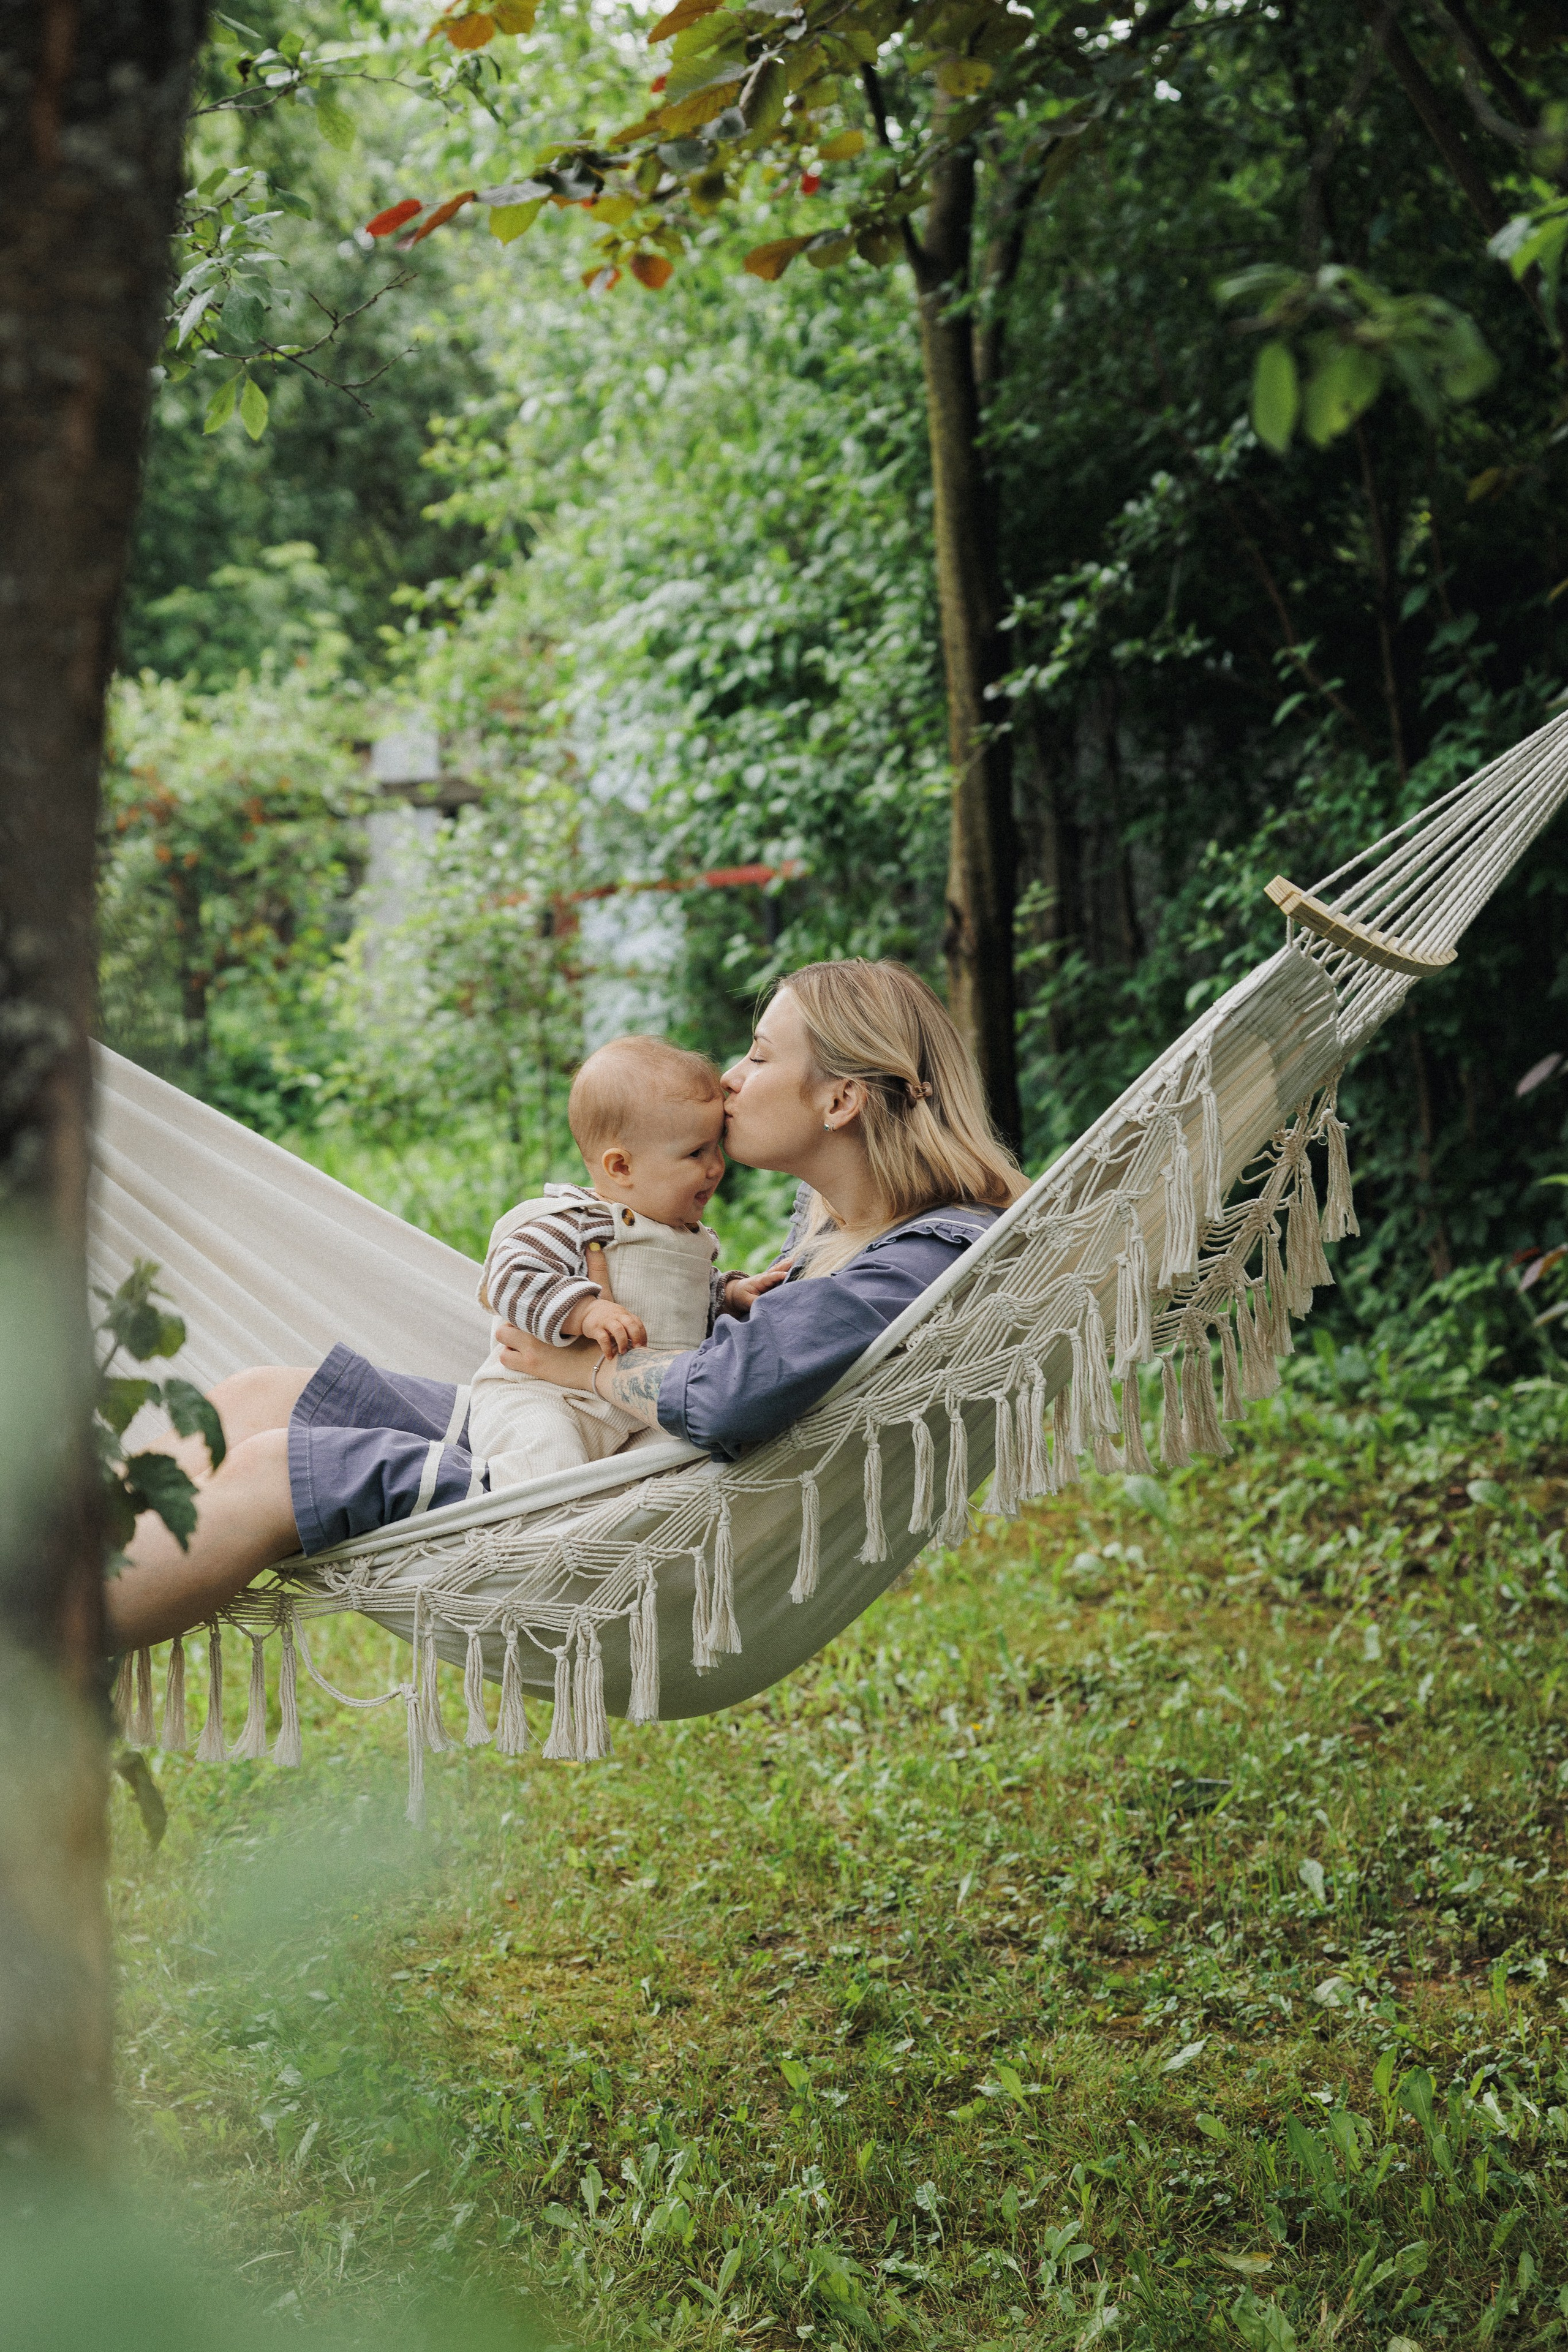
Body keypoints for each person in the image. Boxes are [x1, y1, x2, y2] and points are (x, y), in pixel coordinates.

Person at [105, 959, 1027, 1652]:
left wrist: (576, 1363)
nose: (733, 1079)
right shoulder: (831, 1224)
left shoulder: (919, 1257)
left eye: (757, 1054)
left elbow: (733, 1395)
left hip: (593, 1517)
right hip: (581, 1439)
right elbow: (722, 1331)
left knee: (273, 1466)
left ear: (839, 1100)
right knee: (265, 1394)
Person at [467, 1034, 785, 1489]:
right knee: (547, 1459)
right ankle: (532, 1542)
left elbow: (683, 1302)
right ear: (620, 1167)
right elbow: (511, 1278)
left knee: (698, 1461)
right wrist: (586, 1311)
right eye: (696, 1153)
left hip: (637, 1411)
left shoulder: (686, 1239)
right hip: (545, 1396)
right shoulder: (579, 1221)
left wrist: (730, 1294)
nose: (716, 1167)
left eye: (715, 1148)